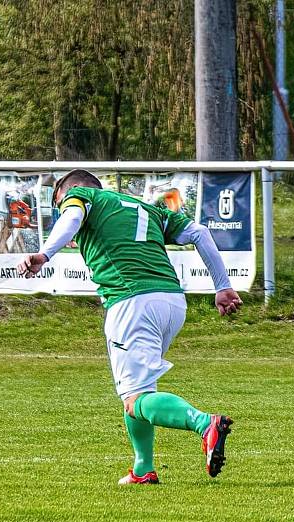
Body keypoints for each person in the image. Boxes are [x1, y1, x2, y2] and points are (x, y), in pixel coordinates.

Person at [17, 169, 243, 485]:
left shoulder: (83, 196)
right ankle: (142, 469)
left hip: (132, 301)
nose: (63, 210)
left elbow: (70, 220)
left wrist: (44, 254)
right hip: (172, 302)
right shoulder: (149, 208)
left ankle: (205, 424)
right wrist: (223, 286)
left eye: (61, 204)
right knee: (136, 390)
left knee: (136, 397)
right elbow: (200, 234)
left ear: (72, 192)